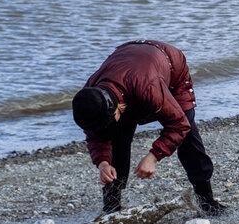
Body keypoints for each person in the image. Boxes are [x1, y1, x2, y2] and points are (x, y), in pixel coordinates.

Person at [71, 40, 224, 215]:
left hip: (170, 69)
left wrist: (153, 156)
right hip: (132, 63)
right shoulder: (90, 97)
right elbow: (96, 134)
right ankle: (111, 209)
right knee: (116, 137)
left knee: (188, 137)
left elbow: (179, 125)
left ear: (116, 109)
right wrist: (103, 163)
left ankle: (207, 201)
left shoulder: (148, 87)